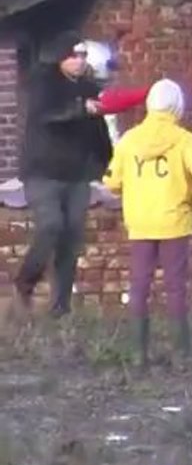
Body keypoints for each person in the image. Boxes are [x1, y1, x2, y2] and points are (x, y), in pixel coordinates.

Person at [102, 79, 192, 368]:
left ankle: (138, 353)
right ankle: (181, 354)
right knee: (175, 286)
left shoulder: (129, 140)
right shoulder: (183, 140)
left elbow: (111, 182)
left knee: (140, 285)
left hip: (140, 222)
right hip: (174, 222)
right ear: (177, 105)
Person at [13, 31, 113, 317]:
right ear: (61, 58)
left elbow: (98, 130)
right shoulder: (43, 84)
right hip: (43, 172)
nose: (80, 61)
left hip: (77, 174)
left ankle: (61, 308)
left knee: (71, 239)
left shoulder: (89, 88)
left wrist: (108, 162)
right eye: (74, 55)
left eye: (83, 55)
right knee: (51, 226)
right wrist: (81, 109)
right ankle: (25, 281)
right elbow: (50, 116)